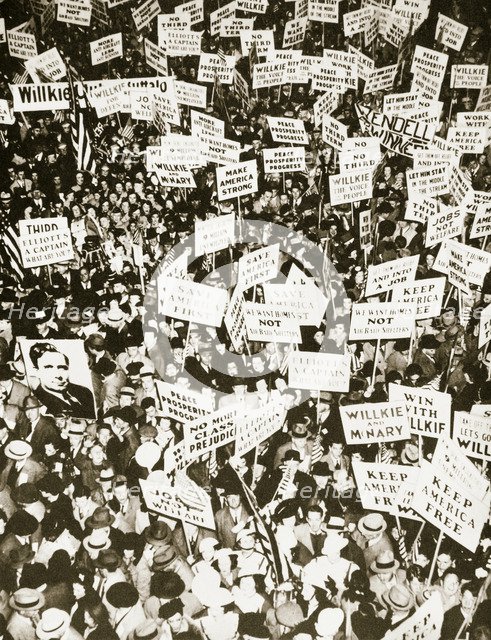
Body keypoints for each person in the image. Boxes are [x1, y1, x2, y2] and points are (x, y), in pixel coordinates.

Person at [29, 343, 95, 419]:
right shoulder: (37, 401)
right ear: (37, 372)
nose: (58, 375)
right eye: (49, 368)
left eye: (62, 368)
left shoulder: (84, 392)